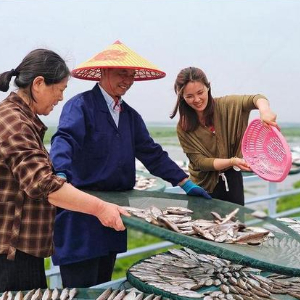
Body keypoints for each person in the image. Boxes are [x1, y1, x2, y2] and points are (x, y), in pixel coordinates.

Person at [49, 40, 211, 288]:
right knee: (79, 289)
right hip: (81, 214)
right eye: (121, 73)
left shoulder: (130, 116)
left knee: (103, 286)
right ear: (103, 72)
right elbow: (64, 139)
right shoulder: (80, 106)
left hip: (114, 213)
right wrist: (59, 173)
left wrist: (185, 182)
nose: (127, 79)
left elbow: (152, 154)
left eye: (131, 74)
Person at [0, 48, 130, 292]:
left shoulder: (21, 118)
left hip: (23, 248)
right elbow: (44, 185)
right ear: (39, 84)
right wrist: (101, 208)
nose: (60, 98)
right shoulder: (14, 122)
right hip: (12, 253)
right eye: (59, 89)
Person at [170, 66, 278, 206]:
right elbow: (200, 162)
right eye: (189, 96)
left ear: (208, 87)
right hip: (202, 186)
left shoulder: (226, 105)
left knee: (236, 224)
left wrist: (265, 111)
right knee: (203, 226)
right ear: (182, 97)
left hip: (232, 180)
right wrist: (231, 161)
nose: (197, 99)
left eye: (200, 92)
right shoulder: (183, 127)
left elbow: (256, 99)